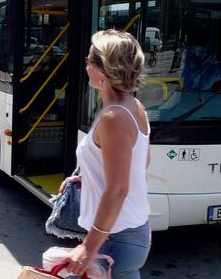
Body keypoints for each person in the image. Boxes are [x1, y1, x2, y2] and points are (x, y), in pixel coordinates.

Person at [60, 29, 151, 279]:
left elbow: (118, 189)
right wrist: (88, 177)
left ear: (104, 69)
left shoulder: (114, 117)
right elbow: (142, 162)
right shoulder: (133, 107)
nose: (86, 65)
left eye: (90, 60)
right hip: (127, 232)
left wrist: (88, 248)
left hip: (116, 238)